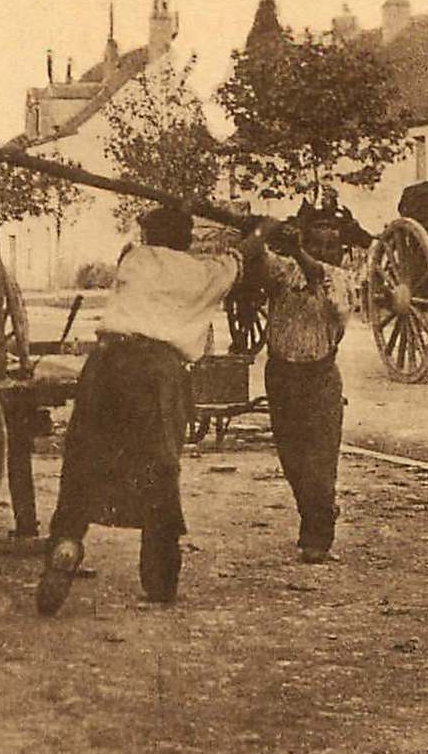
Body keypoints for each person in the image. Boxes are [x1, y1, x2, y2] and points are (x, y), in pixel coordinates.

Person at [36, 206, 268, 615]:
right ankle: (159, 577)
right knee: (159, 467)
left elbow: (141, 251)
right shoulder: (204, 273)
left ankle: (67, 542)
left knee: (84, 458)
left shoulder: (135, 260)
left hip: (105, 365)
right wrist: (262, 231)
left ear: (149, 236)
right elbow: (240, 256)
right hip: (156, 373)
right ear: (186, 237)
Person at [246, 217, 353, 564]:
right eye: (316, 244)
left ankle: (317, 536)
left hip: (319, 377)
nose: (323, 252)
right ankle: (316, 514)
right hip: (281, 375)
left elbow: (319, 278)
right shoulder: (284, 271)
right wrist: (257, 231)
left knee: (320, 462)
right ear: (305, 243)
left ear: (341, 253)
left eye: (330, 247)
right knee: (292, 460)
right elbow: (257, 264)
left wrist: (300, 252)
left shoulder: (341, 280)